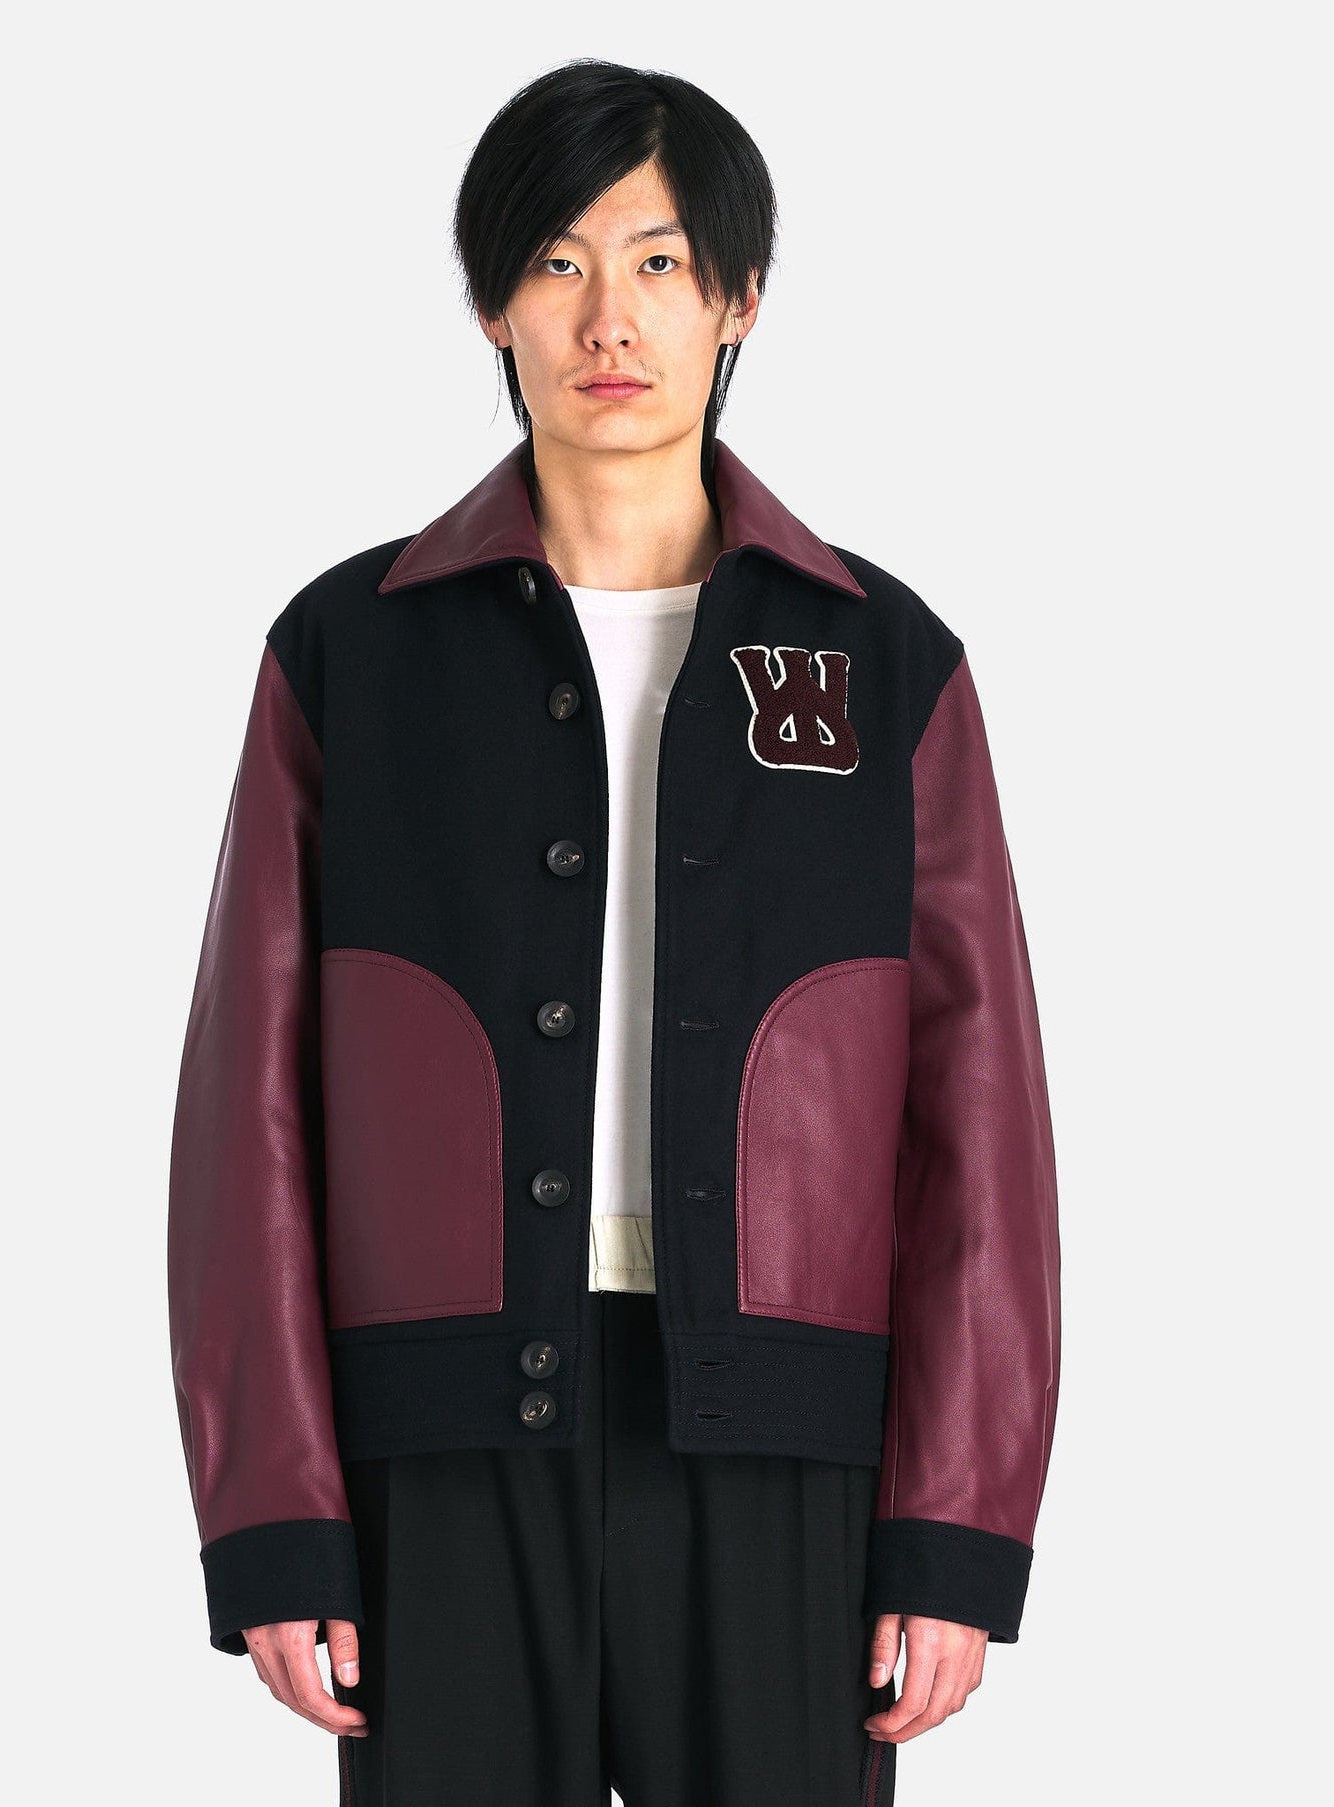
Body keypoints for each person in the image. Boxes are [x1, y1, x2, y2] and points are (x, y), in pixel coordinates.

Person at [167, 58, 1061, 1807]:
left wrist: (954, 1523)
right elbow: (245, 1118)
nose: (608, 319)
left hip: (786, 1446)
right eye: (556, 263)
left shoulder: (880, 658)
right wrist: (274, 1512)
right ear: (490, 304)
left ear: (739, 301)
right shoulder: (353, 651)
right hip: (438, 1448)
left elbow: (978, 1122)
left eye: (659, 263)